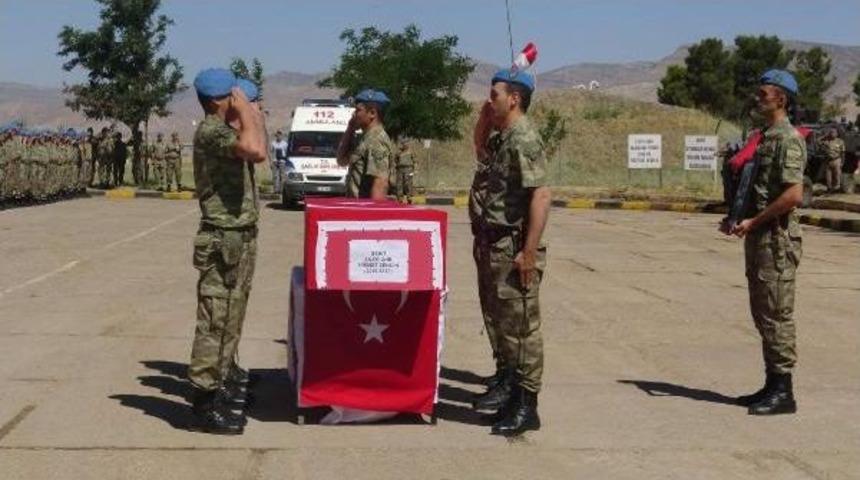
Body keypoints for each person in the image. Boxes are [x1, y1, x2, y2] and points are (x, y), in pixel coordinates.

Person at [469, 68, 551, 436]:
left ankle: (527, 405)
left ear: (514, 98)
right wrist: (484, 119)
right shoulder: (505, 137)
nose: (491, 100)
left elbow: (541, 195)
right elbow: (480, 149)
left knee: (523, 329)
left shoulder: (525, 138)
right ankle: (513, 396)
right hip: (496, 244)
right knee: (507, 328)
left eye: (495, 95)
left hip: (515, 247)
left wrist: (529, 251)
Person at [187, 68, 266, 434]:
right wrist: (249, 114)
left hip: (235, 237)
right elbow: (257, 150)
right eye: (236, 96)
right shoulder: (211, 131)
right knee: (216, 320)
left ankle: (219, 385)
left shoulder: (224, 130)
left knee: (230, 317)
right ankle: (204, 403)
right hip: (222, 239)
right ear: (221, 99)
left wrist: (248, 114)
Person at [725, 69, 805, 416]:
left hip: (776, 240)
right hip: (758, 236)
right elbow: (753, 188)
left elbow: (792, 195)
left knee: (777, 314)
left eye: (764, 94)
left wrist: (755, 221)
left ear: (781, 99)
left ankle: (784, 391)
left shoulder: (788, 139)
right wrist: (736, 217)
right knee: (762, 313)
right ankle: (771, 384)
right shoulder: (766, 137)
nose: (758, 98)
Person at [336, 89, 394, 200]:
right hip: (356, 208)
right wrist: (350, 128)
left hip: (364, 212)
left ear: (372, 113)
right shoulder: (364, 138)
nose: (354, 114)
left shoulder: (376, 140)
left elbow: (380, 183)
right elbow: (341, 160)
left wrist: (372, 214)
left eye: (358, 110)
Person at [820, 128, 845, 193]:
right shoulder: (827, 141)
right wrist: (825, 136)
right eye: (831, 132)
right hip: (828, 161)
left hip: (837, 160)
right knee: (828, 176)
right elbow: (818, 141)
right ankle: (829, 188)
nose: (832, 134)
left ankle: (837, 189)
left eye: (833, 132)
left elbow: (843, 152)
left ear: (837, 134)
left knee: (837, 175)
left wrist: (842, 162)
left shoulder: (840, 141)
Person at [394, 138, 415, 204]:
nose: (404, 145)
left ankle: (409, 197)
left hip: (409, 169)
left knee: (408, 184)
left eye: (406, 143)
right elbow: (395, 160)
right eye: (403, 143)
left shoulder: (411, 152)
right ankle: (400, 198)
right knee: (399, 184)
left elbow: (415, 161)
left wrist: (415, 170)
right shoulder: (398, 152)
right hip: (400, 170)